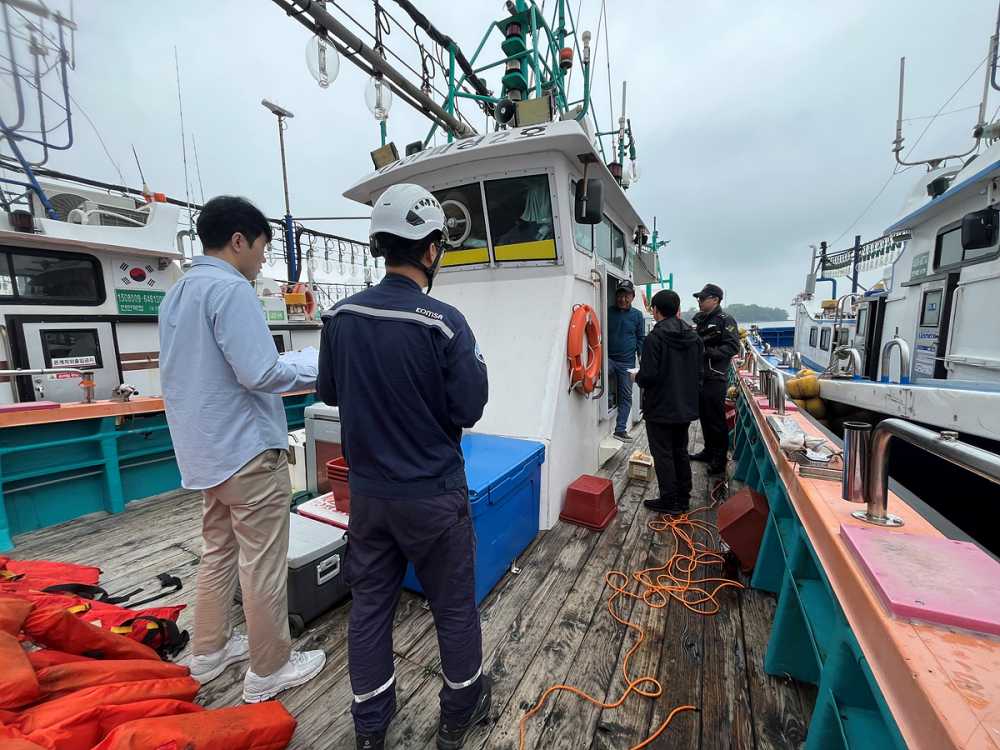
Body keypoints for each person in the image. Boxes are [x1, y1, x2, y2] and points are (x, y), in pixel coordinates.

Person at [316, 183, 491, 750]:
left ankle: (370, 727)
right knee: (454, 609)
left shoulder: (340, 316)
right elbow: (469, 407)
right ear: (431, 248)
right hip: (433, 496)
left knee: (370, 608)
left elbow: (330, 392)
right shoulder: (445, 323)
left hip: (369, 497)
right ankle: (459, 713)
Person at [159, 196, 326, 703]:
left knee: (218, 551)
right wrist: (319, 364)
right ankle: (270, 668)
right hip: (248, 453)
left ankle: (208, 653)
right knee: (262, 563)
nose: (261, 259)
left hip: (206, 454)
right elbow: (261, 373)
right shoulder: (231, 290)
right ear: (239, 240)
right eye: (261, 248)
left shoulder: (177, 293)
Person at [634, 290, 704, 515]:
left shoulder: (654, 338)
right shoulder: (694, 337)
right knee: (680, 451)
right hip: (685, 407)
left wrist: (636, 377)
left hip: (660, 408)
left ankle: (669, 500)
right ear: (677, 309)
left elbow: (648, 376)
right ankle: (683, 498)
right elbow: (699, 373)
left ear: (655, 310)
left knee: (663, 454)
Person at [690, 283, 741, 475]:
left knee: (716, 419)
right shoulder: (702, 320)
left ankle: (719, 460)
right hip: (701, 375)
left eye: (703, 298)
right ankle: (708, 451)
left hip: (715, 376)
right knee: (704, 416)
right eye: (699, 298)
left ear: (715, 300)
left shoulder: (725, 320)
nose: (699, 301)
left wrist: (709, 352)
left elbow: (733, 346)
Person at [607, 279, 646, 441]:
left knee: (626, 397)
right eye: (620, 295)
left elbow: (641, 338)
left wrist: (641, 358)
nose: (623, 299)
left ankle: (620, 430)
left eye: (626, 296)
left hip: (627, 363)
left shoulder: (637, 315)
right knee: (596, 380)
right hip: (608, 359)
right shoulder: (608, 311)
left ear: (632, 297)